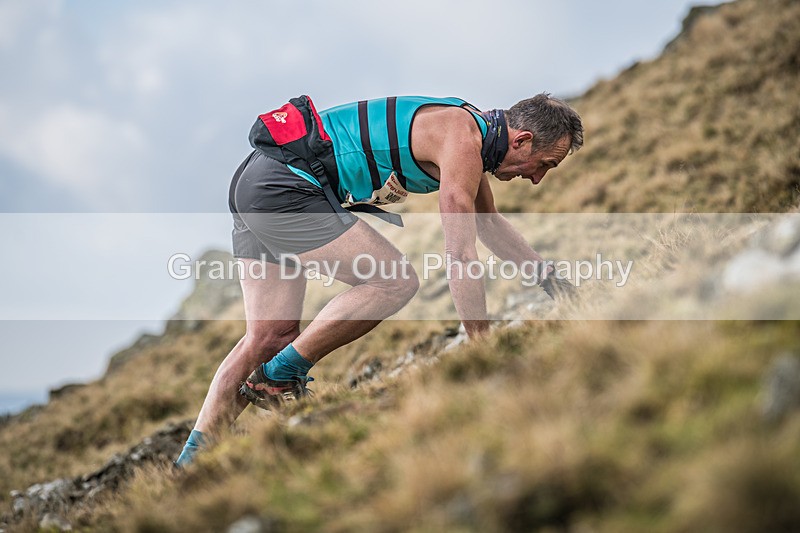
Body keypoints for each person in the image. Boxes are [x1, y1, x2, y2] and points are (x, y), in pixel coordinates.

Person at [175, 93, 583, 466]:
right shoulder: (461, 138)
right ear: (523, 140)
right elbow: (460, 255)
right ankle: (280, 376)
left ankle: (189, 464)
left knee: (267, 337)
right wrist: (482, 346)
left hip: (258, 182)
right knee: (394, 281)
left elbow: (489, 226)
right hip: (284, 185)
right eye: (545, 164)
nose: (537, 179)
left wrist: (552, 282)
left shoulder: (470, 132)